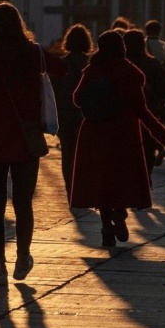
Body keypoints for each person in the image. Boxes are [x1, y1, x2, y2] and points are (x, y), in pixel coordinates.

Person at [0, 2, 65, 286]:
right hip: (24, 141)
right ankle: (22, 256)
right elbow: (63, 69)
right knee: (22, 203)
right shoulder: (34, 54)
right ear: (19, 24)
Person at [70, 30, 165, 247]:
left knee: (101, 182)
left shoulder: (91, 71)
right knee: (120, 180)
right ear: (121, 48)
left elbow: (77, 99)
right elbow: (141, 110)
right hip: (123, 134)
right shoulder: (130, 73)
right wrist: (162, 133)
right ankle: (120, 213)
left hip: (94, 134)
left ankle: (106, 227)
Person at [123, 28, 165, 176]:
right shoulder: (151, 63)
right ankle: (146, 178)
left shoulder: (121, 64)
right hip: (149, 113)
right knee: (147, 150)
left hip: (123, 115)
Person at [53, 23, 93, 200]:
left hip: (65, 114)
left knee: (67, 154)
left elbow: (53, 90)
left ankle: (71, 190)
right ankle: (83, 189)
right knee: (84, 154)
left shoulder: (61, 65)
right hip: (85, 115)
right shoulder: (90, 64)